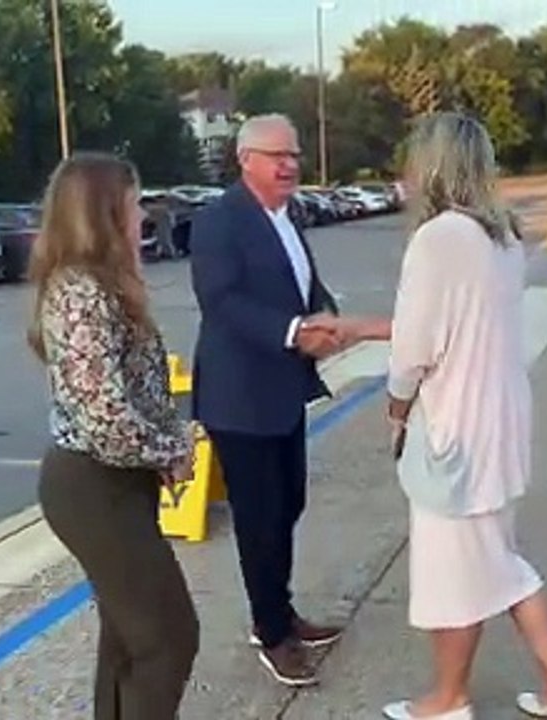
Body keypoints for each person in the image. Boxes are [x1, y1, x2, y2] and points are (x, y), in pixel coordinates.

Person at [368, 112, 547, 720]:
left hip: (456, 435)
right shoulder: (504, 238)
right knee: (502, 565)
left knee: (453, 576)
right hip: (500, 426)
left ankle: (448, 699)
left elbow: (415, 348)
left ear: (434, 166)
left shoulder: (438, 238)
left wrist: (396, 407)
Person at [27, 152, 198, 720]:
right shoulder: (81, 293)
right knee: (168, 637)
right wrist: (173, 449)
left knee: (129, 639)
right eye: (133, 203)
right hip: (93, 485)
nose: (142, 215)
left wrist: (162, 443)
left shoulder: (101, 285)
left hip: (117, 481)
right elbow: (104, 417)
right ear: (102, 212)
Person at [188, 113, 345, 687]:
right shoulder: (219, 221)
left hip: (282, 392)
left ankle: (280, 609)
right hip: (239, 397)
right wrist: (294, 332)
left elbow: (305, 285)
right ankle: (271, 632)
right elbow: (221, 301)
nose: (289, 165)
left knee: (289, 503)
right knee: (260, 518)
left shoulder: (288, 215)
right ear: (245, 159)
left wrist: (326, 316)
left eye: (294, 155)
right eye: (278, 156)